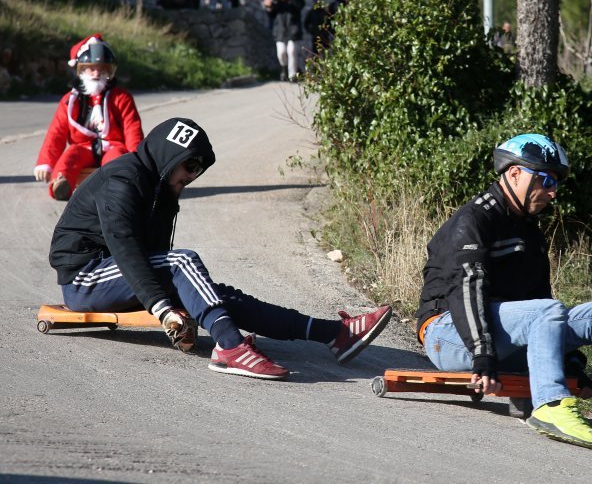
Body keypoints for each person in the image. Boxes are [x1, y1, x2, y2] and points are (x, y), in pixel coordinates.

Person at [49, 117, 393, 379]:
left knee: (210, 293)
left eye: (199, 168)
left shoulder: (163, 191)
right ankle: (230, 347)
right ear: (169, 155)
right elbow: (125, 248)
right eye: (189, 165)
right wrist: (163, 308)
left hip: (121, 276)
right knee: (184, 262)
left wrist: (183, 305)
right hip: (87, 276)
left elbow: (154, 254)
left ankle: (333, 334)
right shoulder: (123, 180)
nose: (193, 175)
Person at [415, 133, 592, 452]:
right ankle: (551, 405)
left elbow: (540, 301)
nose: (553, 192)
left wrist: (570, 360)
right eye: (545, 179)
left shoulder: (529, 229)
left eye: (556, 183)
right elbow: (466, 289)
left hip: (503, 333)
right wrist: (482, 354)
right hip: (448, 333)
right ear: (514, 173)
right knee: (547, 310)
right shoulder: (474, 220)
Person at [34, 34, 143, 201]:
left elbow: (132, 129)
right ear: (81, 69)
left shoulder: (122, 97)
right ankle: (61, 184)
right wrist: (45, 162)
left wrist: (138, 161)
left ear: (109, 70)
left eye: (102, 68)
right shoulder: (69, 101)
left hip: (114, 146)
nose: (96, 73)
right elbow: (57, 133)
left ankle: (117, 186)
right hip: (83, 147)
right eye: (91, 68)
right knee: (70, 156)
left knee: (118, 159)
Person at [264, 0, 305, 81]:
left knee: (292, 51)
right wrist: (268, 7)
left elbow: (299, 7)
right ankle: (284, 68)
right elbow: (271, 14)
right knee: (281, 52)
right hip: (280, 29)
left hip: (293, 28)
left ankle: (292, 75)